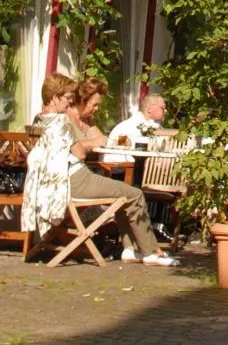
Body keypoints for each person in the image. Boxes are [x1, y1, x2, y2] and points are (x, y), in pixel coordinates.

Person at [22, 74, 175, 266]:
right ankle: (152, 252)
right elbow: (79, 154)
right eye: (67, 99)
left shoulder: (40, 119)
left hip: (54, 183)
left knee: (122, 192)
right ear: (55, 98)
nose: (70, 102)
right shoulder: (61, 122)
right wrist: (84, 144)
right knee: (134, 194)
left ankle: (129, 249)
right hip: (75, 179)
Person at [71, 76, 110, 148]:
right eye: (94, 105)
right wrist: (93, 143)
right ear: (83, 100)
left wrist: (120, 141)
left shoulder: (87, 119)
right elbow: (69, 148)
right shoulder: (64, 118)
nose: (97, 108)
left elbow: (103, 141)